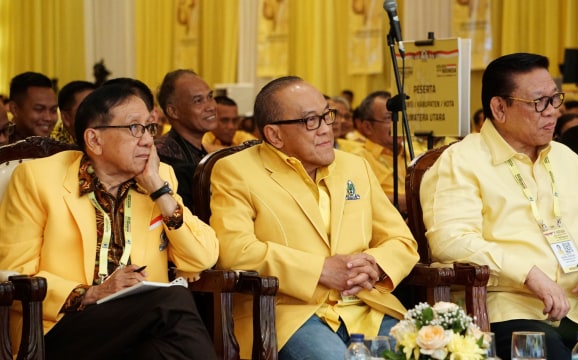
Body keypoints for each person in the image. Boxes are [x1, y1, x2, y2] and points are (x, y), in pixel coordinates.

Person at [421, 53, 578, 360]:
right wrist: (528, 274)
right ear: (499, 107)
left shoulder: (566, 159)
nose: (554, 111)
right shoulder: (462, 161)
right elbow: (450, 240)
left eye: (555, 99)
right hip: (509, 310)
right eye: (540, 102)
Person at [0, 82, 218, 359]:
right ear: (94, 140)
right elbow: (13, 273)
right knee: (174, 301)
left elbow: (202, 258)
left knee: (160, 351)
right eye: (134, 128)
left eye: (150, 128)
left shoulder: (159, 178)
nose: (148, 141)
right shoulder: (38, 179)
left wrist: (159, 190)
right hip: (58, 328)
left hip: (141, 327)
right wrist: (93, 293)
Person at [210, 76, 419, 360]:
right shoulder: (236, 171)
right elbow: (234, 250)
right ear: (275, 135)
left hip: (365, 307)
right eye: (311, 121)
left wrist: (374, 264)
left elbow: (401, 239)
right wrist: (320, 270)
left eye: (326, 116)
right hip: (288, 314)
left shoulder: (354, 166)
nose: (326, 130)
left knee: (434, 353)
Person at [155, 69, 217, 211]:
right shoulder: (163, 159)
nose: (211, 107)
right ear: (173, 111)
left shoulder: (201, 151)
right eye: (198, 100)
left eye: (210, 96)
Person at [351, 91, 409, 214]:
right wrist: (411, 202)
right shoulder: (357, 159)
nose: (398, 124)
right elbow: (361, 200)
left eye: (401, 117)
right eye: (390, 118)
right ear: (368, 127)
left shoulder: (414, 154)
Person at [7, 71, 58, 143]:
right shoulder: (3, 145)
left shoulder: (60, 148)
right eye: (39, 109)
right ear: (14, 109)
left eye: (53, 110)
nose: (48, 118)